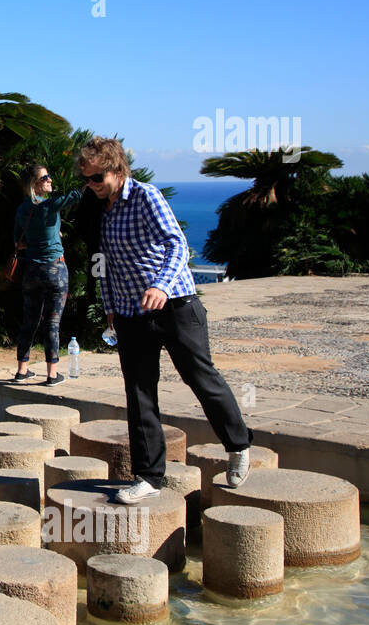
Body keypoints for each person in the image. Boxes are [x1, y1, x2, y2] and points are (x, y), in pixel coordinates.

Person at [76, 137, 252, 503]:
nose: (91, 185)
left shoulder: (146, 197)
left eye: (97, 178)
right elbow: (104, 262)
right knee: (139, 393)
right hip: (130, 313)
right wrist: (110, 306)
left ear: (117, 169)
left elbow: (177, 244)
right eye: (87, 179)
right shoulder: (100, 208)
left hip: (175, 305)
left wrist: (160, 285)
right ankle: (149, 477)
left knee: (201, 377)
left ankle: (238, 446)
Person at [12, 163, 83, 386]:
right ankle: (52, 375)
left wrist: (43, 236)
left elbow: (18, 242)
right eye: (46, 178)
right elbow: (77, 194)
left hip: (31, 271)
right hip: (55, 269)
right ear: (35, 184)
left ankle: (22, 370)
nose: (50, 180)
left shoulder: (22, 210)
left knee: (29, 321)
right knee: (51, 323)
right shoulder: (49, 206)